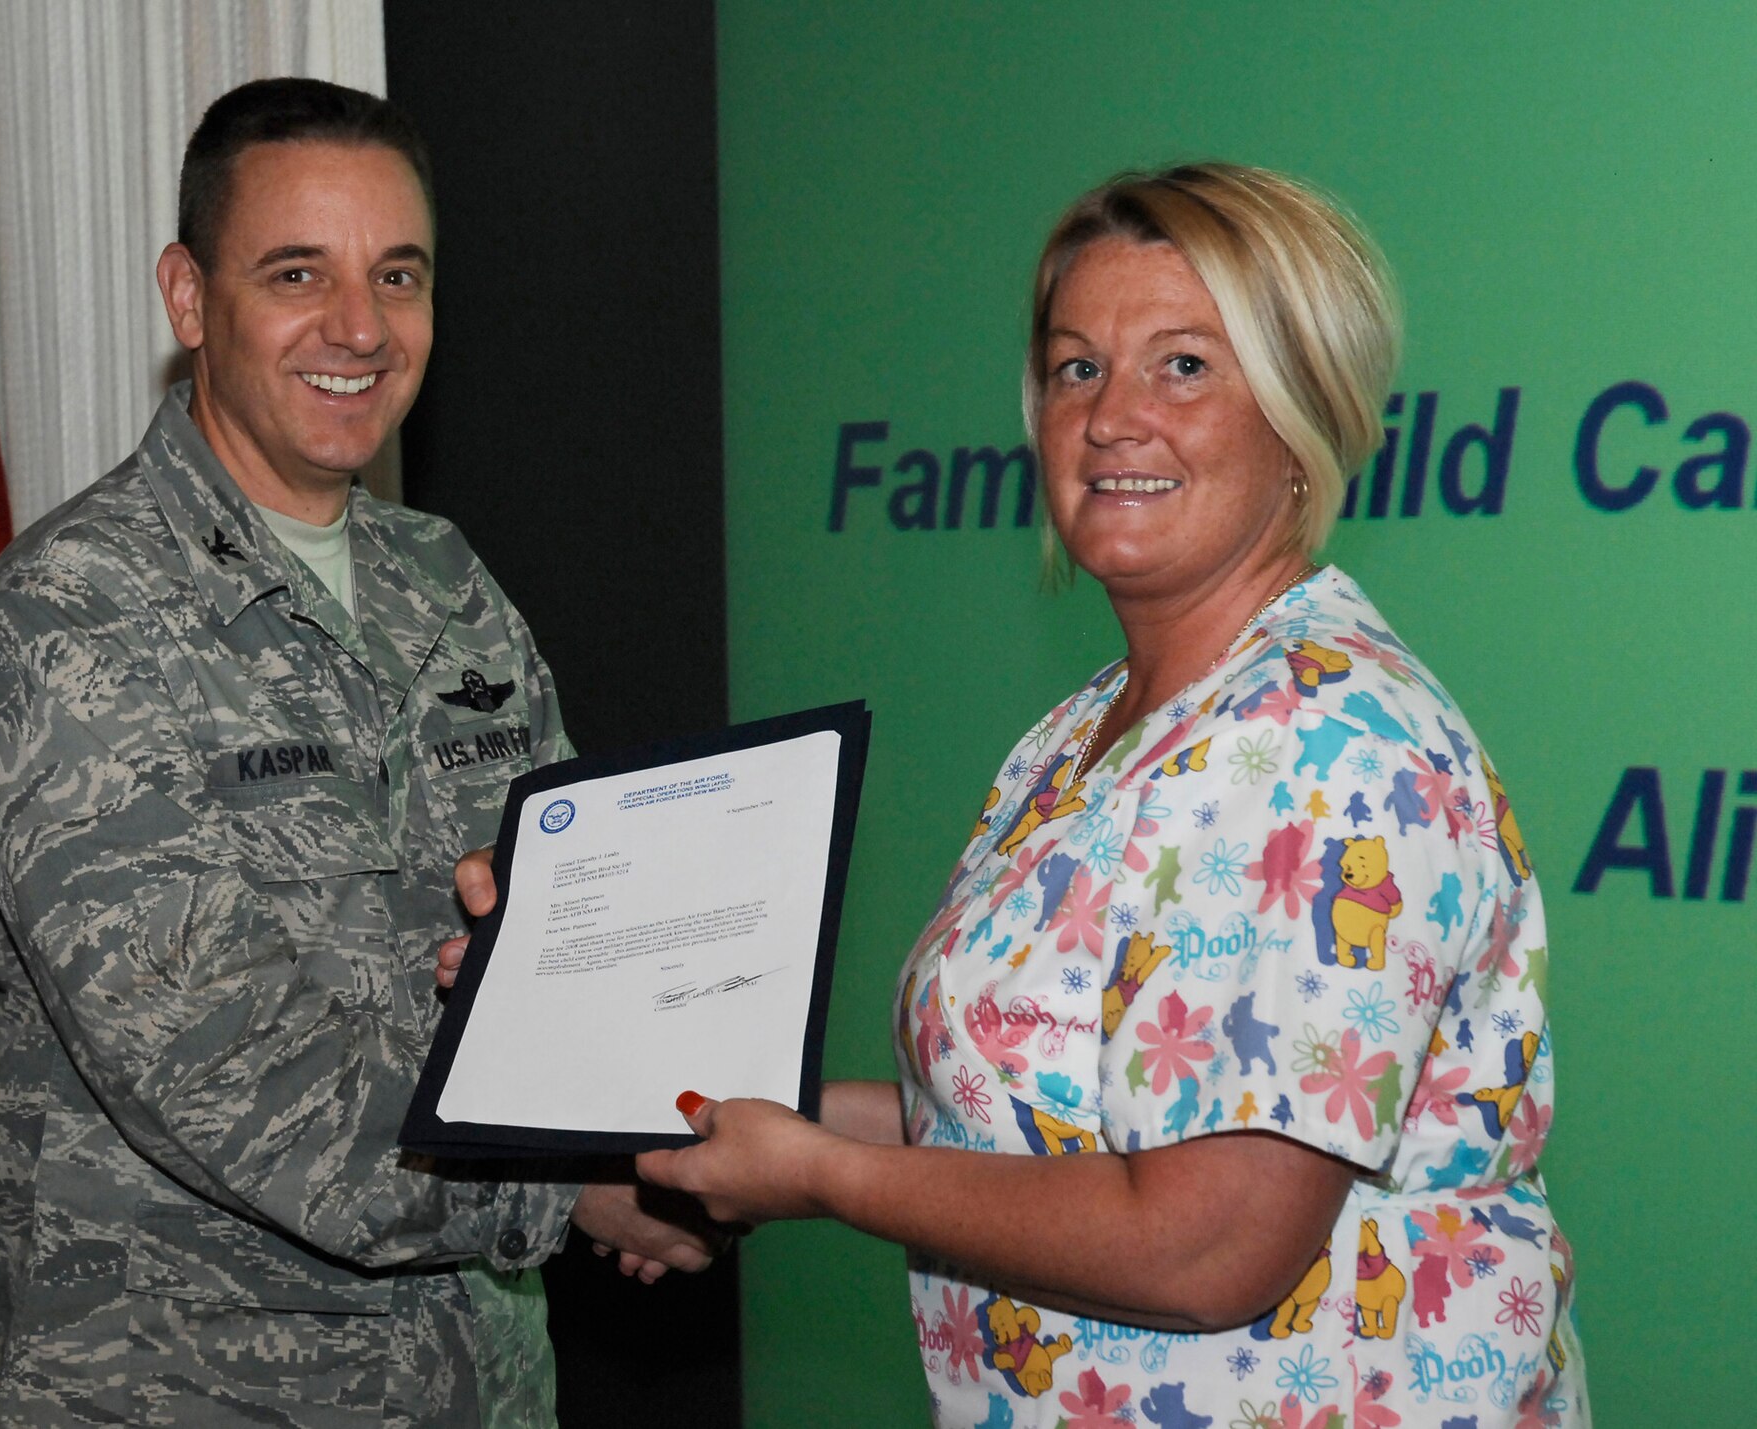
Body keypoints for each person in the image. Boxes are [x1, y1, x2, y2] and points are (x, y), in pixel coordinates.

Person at [596, 164, 1587, 1423]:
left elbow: (1204, 1245)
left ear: (1298, 412)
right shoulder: (1085, 732)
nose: (1113, 416)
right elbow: (1007, 1119)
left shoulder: (1329, 746)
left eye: (1183, 365)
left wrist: (821, 1182)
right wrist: (723, 1126)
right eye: (1075, 368)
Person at [0, 78, 712, 1429]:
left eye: (397, 276)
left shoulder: (444, 578)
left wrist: (659, 1121)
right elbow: (231, 1071)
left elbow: (583, 924)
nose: (360, 328)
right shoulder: (71, 619)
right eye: (299, 273)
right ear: (189, 298)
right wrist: (583, 1182)